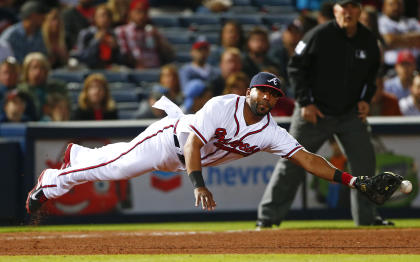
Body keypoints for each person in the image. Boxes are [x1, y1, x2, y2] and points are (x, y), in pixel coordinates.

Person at [26, 72, 387, 215]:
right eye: (263, 90)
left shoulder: (270, 131)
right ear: (249, 90)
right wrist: (198, 185)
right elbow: (195, 147)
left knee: (115, 158)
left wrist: (353, 181)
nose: (267, 98)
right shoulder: (222, 105)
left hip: (184, 158)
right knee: (116, 167)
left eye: (273, 95)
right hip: (169, 142)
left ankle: (78, 154)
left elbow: (307, 158)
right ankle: (51, 182)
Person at [256, 0, 389, 228]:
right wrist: (305, 102)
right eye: (343, 7)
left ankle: (368, 221)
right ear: (335, 10)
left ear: (359, 11)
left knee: (365, 164)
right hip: (314, 112)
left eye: (352, 7)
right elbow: (295, 67)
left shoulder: (368, 40)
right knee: (292, 162)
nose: (348, 12)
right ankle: (267, 219)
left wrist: (365, 100)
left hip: (349, 113)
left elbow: (371, 75)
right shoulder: (318, 35)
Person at [115, 0, 174, 69]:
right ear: (130, 12)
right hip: (134, 70)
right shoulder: (122, 31)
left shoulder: (152, 31)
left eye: (145, 12)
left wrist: (158, 40)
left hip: (155, 69)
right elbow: (124, 54)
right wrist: (135, 64)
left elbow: (170, 54)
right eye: (138, 11)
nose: (141, 15)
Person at [17, 52, 68, 120]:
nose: (38, 72)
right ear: (26, 70)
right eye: (34, 68)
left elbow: (66, 111)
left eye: (42, 68)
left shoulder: (58, 88)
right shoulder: (19, 91)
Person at [75, 4, 122, 69]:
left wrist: (116, 48)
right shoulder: (86, 34)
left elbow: (121, 60)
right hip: (89, 69)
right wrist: (96, 41)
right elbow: (82, 57)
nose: (105, 18)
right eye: (102, 16)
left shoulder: (114, 34)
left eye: (108, 16)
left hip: (110, 69)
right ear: (94, 18)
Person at [378, 0, 420, 67]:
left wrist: (397, 38)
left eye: (399, 4)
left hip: (416, 62)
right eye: (391, 4)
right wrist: (412, 39)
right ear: (383, 7)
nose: (396, 7)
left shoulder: (412, 22)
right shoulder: (380, 22)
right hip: (390, 66)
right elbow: (390, 41)